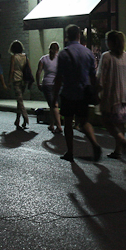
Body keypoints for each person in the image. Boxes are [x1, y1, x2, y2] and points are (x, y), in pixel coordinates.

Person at [53, 24, 102, 162]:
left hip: (68, 92)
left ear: (67, 36)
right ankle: (94, 143)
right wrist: (95, 92)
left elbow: (59, 78)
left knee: (68, 122)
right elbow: (93, 76)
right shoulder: (88, 53)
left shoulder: (64, 53)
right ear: (78, 35)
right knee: (84, 121)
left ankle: (70, 152)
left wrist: (55, 96)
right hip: (83, 93)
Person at [97, 31, 126, 159]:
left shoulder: (107, 56)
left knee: (106, 120)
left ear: (111, 42)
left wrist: (98, 92)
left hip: (113, 95)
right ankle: (118, 150)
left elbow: (101, 77)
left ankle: (121, 140)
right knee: (120, 123)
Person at [36, 42, 62, 134]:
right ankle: (53, 124)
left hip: (47, 84)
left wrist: (38, 83)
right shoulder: (59, 59)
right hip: (56, 85)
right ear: (58, 50)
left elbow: (38, 72)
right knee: (53, 105)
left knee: (53, 105)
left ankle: (58, 126)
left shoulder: (43, 59)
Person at [8, 40, 31, 129]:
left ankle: (25, 117)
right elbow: (29, 69)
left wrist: (9, 82)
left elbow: (11, 70)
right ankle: (17, 120)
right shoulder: (25, 57)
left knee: (20, 101)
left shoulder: (13, 57)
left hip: (16, 80)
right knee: (19, 100)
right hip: (24, 80)